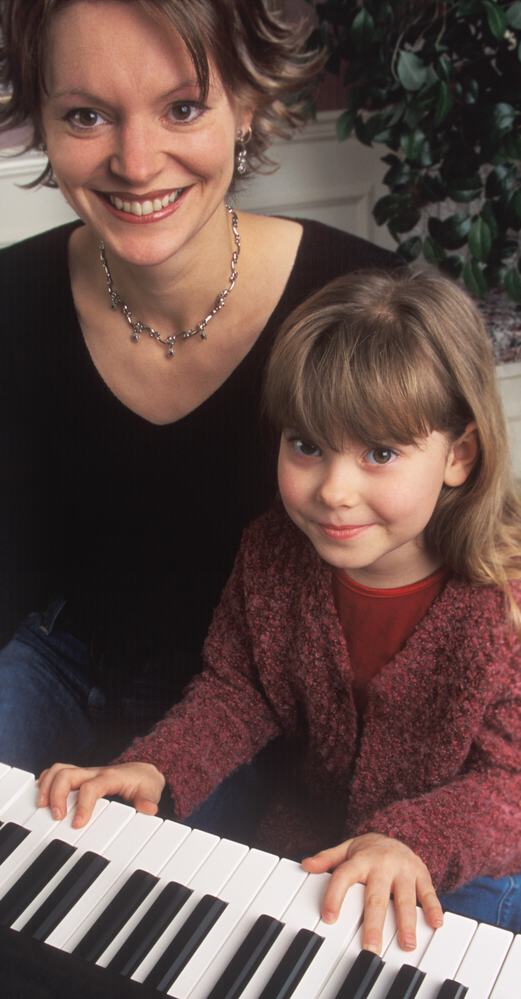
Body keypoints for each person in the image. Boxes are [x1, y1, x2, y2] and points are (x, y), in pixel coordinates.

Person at [39, 268, 521, 952]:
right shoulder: (271, 550)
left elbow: (511, 786)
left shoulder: (503, 600)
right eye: (307, 444)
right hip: (312, 828)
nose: (333, 489)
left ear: (458, 455)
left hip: (463, 863)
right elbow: (238, 690)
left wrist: (406, 840)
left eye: (379, 452)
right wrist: (157, 765)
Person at [0, 0, 399, 775]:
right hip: (50, 653)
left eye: (182, 108)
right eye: (86, 116)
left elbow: (445, 581)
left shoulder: (366, 299)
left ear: (246, 102)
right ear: (43, 124)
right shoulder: (10, 296)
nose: (138, 162)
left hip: (245, 705)